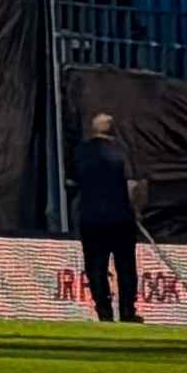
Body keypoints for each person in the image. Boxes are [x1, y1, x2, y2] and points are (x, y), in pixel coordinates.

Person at [71, 107, 150, 322]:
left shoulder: (79, 152)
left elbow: (73, 181)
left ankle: (103, 312)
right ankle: (127, 311)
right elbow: (134, 186)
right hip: (120, 217)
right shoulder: (122, 151)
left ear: (92, 131)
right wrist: (137, 210)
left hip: (90, 218)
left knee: (96, 266)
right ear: (113, 131)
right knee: (125, 266)